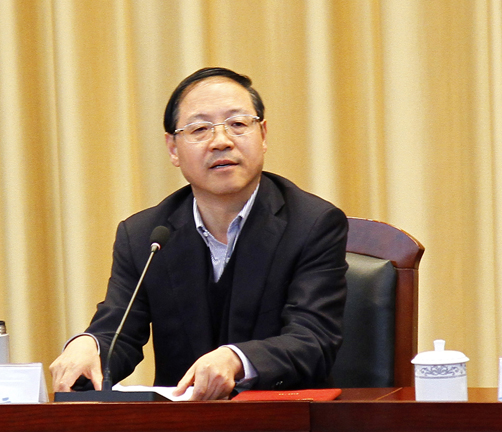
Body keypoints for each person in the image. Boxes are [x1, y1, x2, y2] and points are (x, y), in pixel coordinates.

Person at [50, 67, 348, 400]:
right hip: (183, 420)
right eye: (200, 129)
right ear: (173, 149)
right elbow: (117, 331)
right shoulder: (145, 236)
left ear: (263, 135)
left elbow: (313, 339)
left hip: (282, 415)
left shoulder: (312, 224)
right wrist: (88, 346)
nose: (221, 141)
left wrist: (236, 359)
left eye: (238, 124)